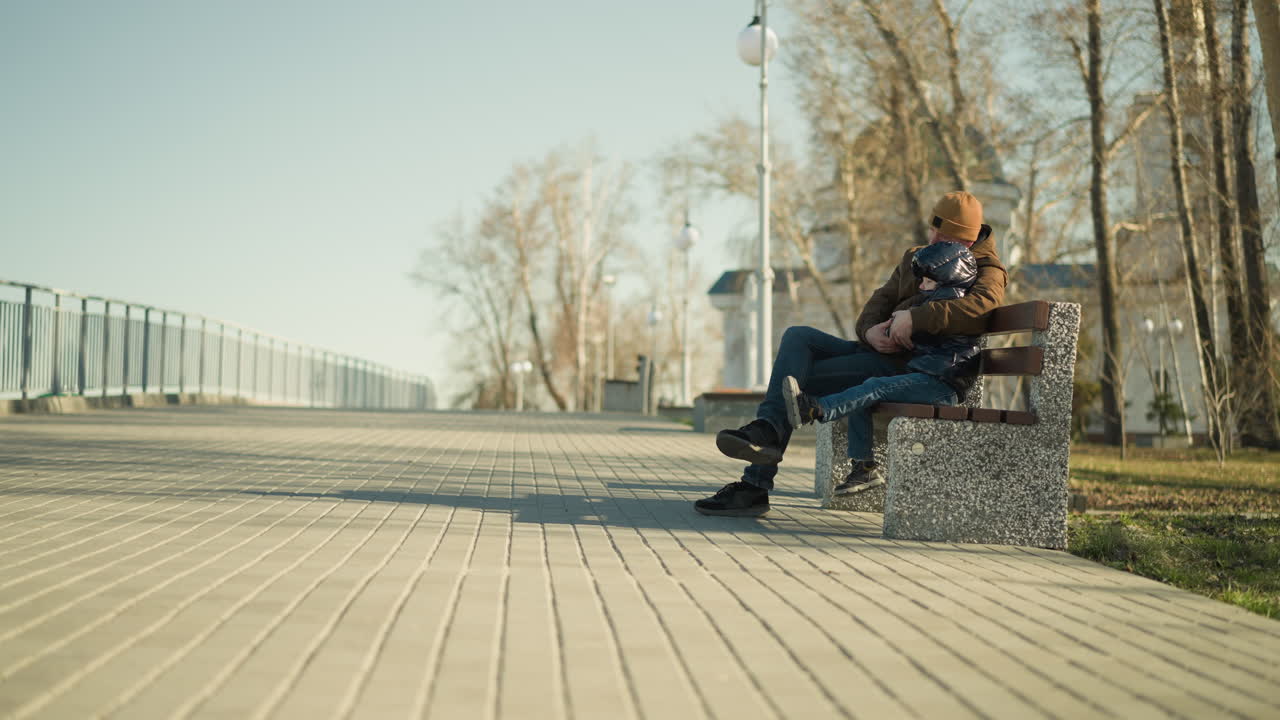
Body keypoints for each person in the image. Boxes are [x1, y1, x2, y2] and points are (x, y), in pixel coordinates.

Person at [694, 190, 1007, 517]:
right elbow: (877, 302)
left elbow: (981, 307)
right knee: (798, 337)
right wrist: (869, 331)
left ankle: (756, 478)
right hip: (875, 350)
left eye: (943, 237)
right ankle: (766, 436)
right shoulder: (916, 257)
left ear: (967, 241)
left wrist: (915, 318)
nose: (933, 241)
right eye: (933, 231)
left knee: (795, 379)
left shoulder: (986, 269)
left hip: (907, 367)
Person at [781, 240, 981, 495]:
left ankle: (817, 409)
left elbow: (914, 332)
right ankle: (864, 469)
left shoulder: (946, 303)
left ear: (947, 280)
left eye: (928, 281)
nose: (921, 286)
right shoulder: (934, 302)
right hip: (928, 377)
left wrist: (899, 321)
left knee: (875, 386)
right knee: (865, 390)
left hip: (941, 385)